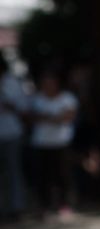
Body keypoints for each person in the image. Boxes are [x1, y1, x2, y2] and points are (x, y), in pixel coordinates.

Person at [30, 67, 78, 218]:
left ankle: (65, 204)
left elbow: (68, 116)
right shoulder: (37, 99)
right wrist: (55, 117)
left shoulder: (67, 98)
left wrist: (47, 117)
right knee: (43, 177)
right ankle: (44, 206)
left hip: (61, 142)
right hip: (41, 143)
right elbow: (30, 117)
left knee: (63, 175)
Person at [0, 54, 30, 222]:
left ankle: (16, 207)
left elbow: (23, 107)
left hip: (12, 133)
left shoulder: (12, 83)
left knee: (13, 171)